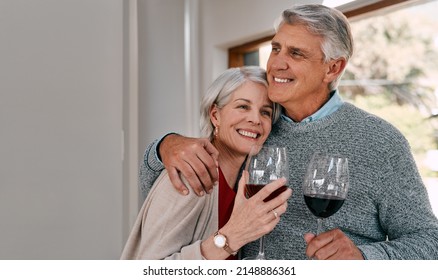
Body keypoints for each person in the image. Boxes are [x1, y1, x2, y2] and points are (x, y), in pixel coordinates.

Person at [139, 4, 438, 259]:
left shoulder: (381, 141)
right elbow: (157, 190)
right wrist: (164, 146)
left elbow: (428, 241)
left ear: (333, 68)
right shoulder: (257, 128)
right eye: (276, 48)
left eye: (296, 53)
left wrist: (364, 257)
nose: (276, 64)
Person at [121, 66, 291, 259]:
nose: (255, 119)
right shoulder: (191, 174)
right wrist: (231, 238)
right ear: (215, 115)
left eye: (265, 112)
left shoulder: (247, 182)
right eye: (243, 106)